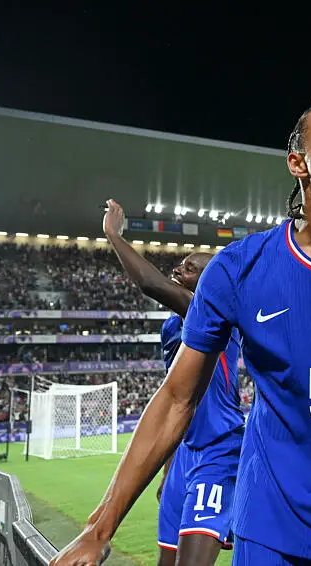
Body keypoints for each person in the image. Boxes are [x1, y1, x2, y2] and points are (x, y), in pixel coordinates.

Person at [52, 86, 311, 566]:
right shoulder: (239, 269)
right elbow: (177, 398)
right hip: (267, 530)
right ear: (298, 164)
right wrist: (98, 529)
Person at [102, 199, 243, 565]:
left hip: (219, 449)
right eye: (181, 263)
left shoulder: (213, 312)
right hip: (183, 454)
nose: (179, 269)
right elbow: (179, 399)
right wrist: (168, 465)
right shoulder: (171, 327)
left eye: (190, 268)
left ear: (209, 282)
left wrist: (113, 235)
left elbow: (150, 282)